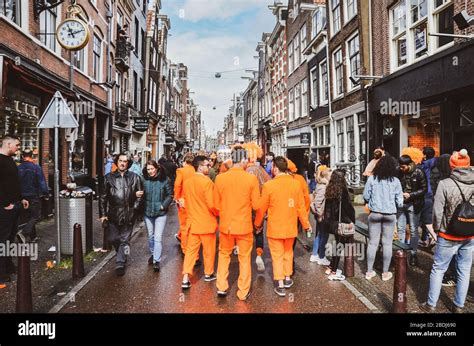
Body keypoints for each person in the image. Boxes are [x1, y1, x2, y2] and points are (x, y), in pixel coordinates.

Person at [420, 149, 474, 313]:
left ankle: (431, 304)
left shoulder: (445, 183)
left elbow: (437, 211)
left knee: (438, 269)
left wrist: (436, 231)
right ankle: (458, 306)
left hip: (447, 234)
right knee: (464, 270)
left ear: (452, 165)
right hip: (469, 234)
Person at [254, 157, 311, 297]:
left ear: (275, 168)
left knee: (277, 256)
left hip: (275, 228)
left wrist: (257, 224)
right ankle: (287, 278)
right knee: (288, 253)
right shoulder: (295, 184)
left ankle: (280, 284)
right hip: (290, 227)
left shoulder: (269, 186)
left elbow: (262, 208)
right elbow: (300, 208)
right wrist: (306, 225)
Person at [214, 146, 261, 300]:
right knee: (244, 257)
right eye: (246, 160)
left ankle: (221, 286)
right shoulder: (251, 179)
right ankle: (242, 291)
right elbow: (256, 205)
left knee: (224, 254)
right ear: (242, 160)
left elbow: (216, 205)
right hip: (244, 226)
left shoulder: (220, 178)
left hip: (226, 225)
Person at [99, 153, 143, 276]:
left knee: (124, 239)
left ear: (128, 163)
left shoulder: (135, 177)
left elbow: (140, 196)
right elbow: (103, 198)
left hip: (129, 213)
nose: (123, 163)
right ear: (117, 162)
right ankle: (123, 252)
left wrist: (134, 208)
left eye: (125, 161)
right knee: (113, 238)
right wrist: (103, 215)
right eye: (120, 161)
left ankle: (120, 262)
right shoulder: (108, 178)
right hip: (113, 213)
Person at [363, 156, 404, 281]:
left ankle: (369, 271)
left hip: (375, 213)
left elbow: (365, 195)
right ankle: (385, 273)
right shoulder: (396, 181)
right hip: (390, 215)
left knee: (372, 243)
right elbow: (400, 202)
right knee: (387, 244)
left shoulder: (371, 179)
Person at [181, 156, 218, 289]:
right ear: (200, 166)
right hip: (207, 222)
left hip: (193, 222)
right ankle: (208, 273)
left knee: (191, 251)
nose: (209, 167)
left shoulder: (188, 182)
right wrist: (218, 213)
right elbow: (212, 204)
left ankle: (185, 277)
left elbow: (184, 202)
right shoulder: (207, 182)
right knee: (208, 250)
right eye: (207, 165)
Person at [0, 135, 29, 284]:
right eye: (17, 145)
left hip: (15, 204)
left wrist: (21, 198)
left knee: (11, 238)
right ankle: (1, 272)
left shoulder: (10, 160)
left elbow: (13, 183)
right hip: (5, 207)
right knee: (3, 239)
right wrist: (4, 203)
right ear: (8, 144)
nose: (18, 148)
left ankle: (8, 265)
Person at [242, 142, 271, 272]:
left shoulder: (243, 172)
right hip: (259, 207)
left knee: (246, 234)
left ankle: (245, 257)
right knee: (259, 232)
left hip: (246, 208)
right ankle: (259, 255)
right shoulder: (261, 171)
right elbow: (270, 185)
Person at [322, 169, 355, 281]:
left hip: (332, 222)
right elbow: (348, 208)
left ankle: (331, 266)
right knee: (339, 246)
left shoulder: (330, 189)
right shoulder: (342, 190)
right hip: (341, 222)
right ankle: (334, 271)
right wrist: (351, 220)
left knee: (337, 244)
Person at [141, 160, 173, 273]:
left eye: (152, 169)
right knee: (150, 236)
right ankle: (153, 253)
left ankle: (156, 260)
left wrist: (163, 206)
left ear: (157, 168)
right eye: (148, 169)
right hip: (147, 212)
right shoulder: (143, 179)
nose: (150, 171)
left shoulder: (165, 180)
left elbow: (170, 195)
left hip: (160, 213)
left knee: (157, 237)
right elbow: (140, 192)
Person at [397, 154, 428, 267]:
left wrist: (410, 195)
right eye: (400, 166)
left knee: (413, 229)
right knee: (400, 228)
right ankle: (400, 253)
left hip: (414, 204)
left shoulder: (419, 172)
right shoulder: (399, 171)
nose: (401, 169)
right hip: (401, 204)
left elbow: (424, 189)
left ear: (409, 165)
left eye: (403, 167)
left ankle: (413, 254)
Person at [17, 148, 49, 242]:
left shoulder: (18, 168)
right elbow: (42, 182)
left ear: (22, 156)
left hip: (22, 196)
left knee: (29, 217)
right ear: (31, 156)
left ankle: (33, 237)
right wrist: (46, 193)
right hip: (33, 195)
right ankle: (23, 233)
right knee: (35, 216)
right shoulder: (36, 168)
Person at [174, 152, 195, 255]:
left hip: (183, 201)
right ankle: (181, 237)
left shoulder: (181, 171)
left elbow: (177, 185)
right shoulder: (195, 171)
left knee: (183, 225)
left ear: (185, 161)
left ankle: (185, 248)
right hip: (194, 202)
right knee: (191, 225)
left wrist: (176, 198)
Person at [310, 166, 331, 265]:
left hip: (320, 214)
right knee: (324, 235)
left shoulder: (320, 184)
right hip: (321, 214)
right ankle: (321, 256)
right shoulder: (323, 186)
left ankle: (314, 254)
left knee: (319, 235)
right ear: (325, 174)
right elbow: (318, 202)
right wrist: (320, 214)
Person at [418, 147, 438, 248]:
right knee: (429, 216)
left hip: (425, 193)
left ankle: (429, 237)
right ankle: (427, 238)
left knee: (425, 217)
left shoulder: (424, 165)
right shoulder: (436, 162)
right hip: (433, 193)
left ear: (425, 155)